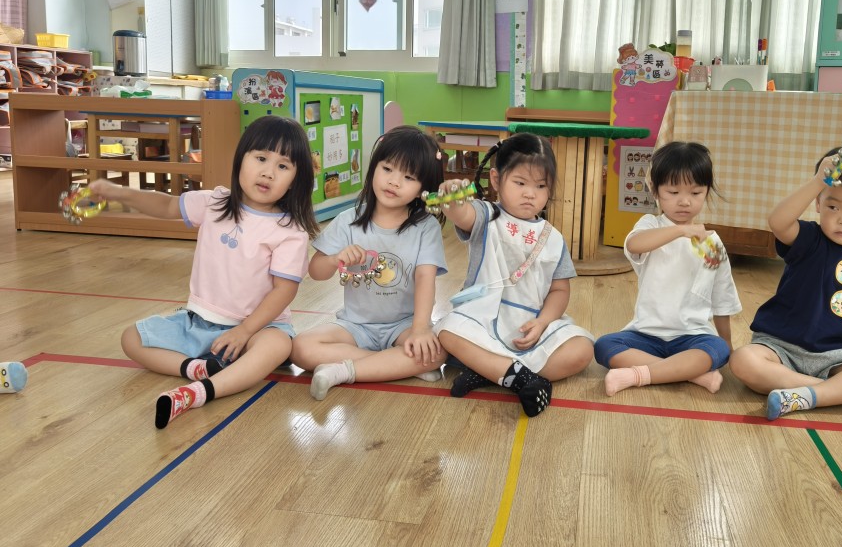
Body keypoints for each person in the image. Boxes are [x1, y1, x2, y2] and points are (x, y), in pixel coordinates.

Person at [88, 115, 318, 429]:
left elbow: (284, 291)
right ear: (241, 159)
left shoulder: (290, 231)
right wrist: (120, 193)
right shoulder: (215, 202)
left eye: (283, 166)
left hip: (258, 329)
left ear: (295, 179)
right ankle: (195, 368)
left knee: (278, 346)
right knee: (132, 338)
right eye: (261, 158)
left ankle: (200, 391)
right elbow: (167, 206)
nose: (268, 172)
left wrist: (244, 331)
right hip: (200, 323)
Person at [729, 144, 842, 420]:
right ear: (818, 203)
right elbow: (778, 222)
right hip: (781, 348)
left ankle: (806, 395)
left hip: (839, 357)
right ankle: (839, 392)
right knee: (743, 361)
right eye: (833, 206)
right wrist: (817, 182)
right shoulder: (809, 239)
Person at [434, 133, 594, 417]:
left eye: (541, 186)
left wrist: (543, 322)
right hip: (483, 319)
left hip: (530, 325)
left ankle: (493, 371)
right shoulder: (486, 216)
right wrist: (452, 197)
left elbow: (560, 290)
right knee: (446, 330)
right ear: (496, 180)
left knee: (582, 350)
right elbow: (461, 214)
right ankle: (516, 376)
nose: (530, 193)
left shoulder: (554, 238)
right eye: (520, 183)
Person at [289, 125, 447, 399]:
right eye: (387, 169)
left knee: (439, 350)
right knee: (300, 347)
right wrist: (336, 259)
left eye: (408, 177)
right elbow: (316, 271)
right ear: (374, 167)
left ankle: (343, 371)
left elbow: (425, 278)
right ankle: (396, 365)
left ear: (423, 188)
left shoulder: (426, 227)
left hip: (405, 325)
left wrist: (421, 329)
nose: (394, 181)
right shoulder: (348, 220)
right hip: (355, 326)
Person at [594, 142, 741, 397]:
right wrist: (682, 230)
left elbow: (722, 298)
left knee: (716, 349)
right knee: (604, 346)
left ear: (706, 191)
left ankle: (638, 374)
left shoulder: (712, 243)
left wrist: (727, 345)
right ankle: (689, 373)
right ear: (655, 190)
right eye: (673, 192)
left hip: (692, 337)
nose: (684, 201)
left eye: (696, 192)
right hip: (645, 335)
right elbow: (634, 244)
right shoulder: (650, 225)